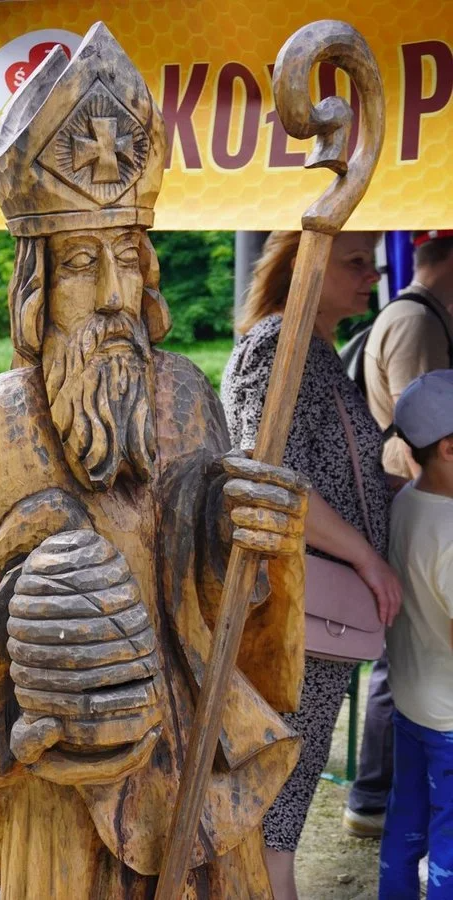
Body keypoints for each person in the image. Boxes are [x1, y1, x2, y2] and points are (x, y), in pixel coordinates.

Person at [0, 24, 310, 899]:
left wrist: (242, 530)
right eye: (83, 263)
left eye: (128, 257)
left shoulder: (185, 391)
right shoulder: (9, 415)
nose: (116, 294)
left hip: (195, 766)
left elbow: (221, 598)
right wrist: (55, 635)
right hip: (70, 792)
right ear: (37, 288)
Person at [221, 230, 402, 900]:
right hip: (291, 612)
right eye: (356, 261)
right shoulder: (282, 344)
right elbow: (271, 476)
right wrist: (367, 558)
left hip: (310, 610)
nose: (372, 276)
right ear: (308, 264)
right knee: (277, 782)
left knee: (286, 782)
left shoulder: (310, 346)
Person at [345, 231, 453, 840]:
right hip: (424, 494)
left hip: (417, 495)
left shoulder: (416, 313)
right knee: (405, 656)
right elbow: (425, 428)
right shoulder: (417, 322)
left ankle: (377, 798)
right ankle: (369, 795)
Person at [379, 370, 453, 900]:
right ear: (449, 448)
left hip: (410, 702)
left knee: (404, 828)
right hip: (451, 719)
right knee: (450, 849)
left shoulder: (406, 501)